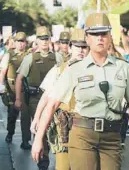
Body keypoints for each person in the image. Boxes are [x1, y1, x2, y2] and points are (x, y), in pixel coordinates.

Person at [31, 13, 129, 170]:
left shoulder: (123, 67)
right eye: (94, 34)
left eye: (104, 34)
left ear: (110, 37)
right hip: (82, 135)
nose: (100, 38)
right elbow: (52, 104)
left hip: (112, 136)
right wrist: (38, 139)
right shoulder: (74, 69)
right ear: (87, 38)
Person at [31, 28, 89, 170]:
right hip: (65, 126)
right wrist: (37, 119)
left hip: (88, 128)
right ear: (70, 47)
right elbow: (47, 97)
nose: (81, 50)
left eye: (84, 47)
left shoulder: (96, 69)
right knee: (63, 165)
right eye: (77, 47)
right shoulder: (60, 69)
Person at [15, 26, 57, 170]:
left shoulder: (57, 57)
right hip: (35, 99)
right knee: (41, 129)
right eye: (41, 39)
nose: (44, 42)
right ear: (37, 41)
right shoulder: (30, 58)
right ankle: (43, 161)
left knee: (56, 129)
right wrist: (18, 99)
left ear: (50, 40)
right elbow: (19, 79)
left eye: (46, 38)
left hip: (53, 99)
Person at [0, 32, 29, 147]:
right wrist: (1, 86)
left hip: (24, 89)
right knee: (12, 114)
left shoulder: (29, 55)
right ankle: (10, 133)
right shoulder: (9, 55)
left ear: (26, 43)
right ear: (15, 42)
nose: (21, 44)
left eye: (23, 42)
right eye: (18, 41)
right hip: (11, 89)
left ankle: (25, 140)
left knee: (25, 116)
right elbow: (3, 72)